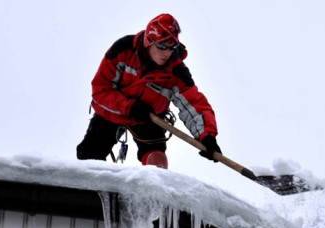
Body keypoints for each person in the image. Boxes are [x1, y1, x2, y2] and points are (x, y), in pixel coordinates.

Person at [76, 13, 222, 169]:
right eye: (162, 46)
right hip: (112, 111)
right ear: (148, 41)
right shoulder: (123, 49)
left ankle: (151, 189)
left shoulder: (177, 71)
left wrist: (207, 136)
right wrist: (129, 107)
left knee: (156, 161)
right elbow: (101, 89)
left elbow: (194, 103)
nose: (167, 53)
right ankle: (89, 188)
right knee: (89, 156)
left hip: (150, 117)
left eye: (172, 47)